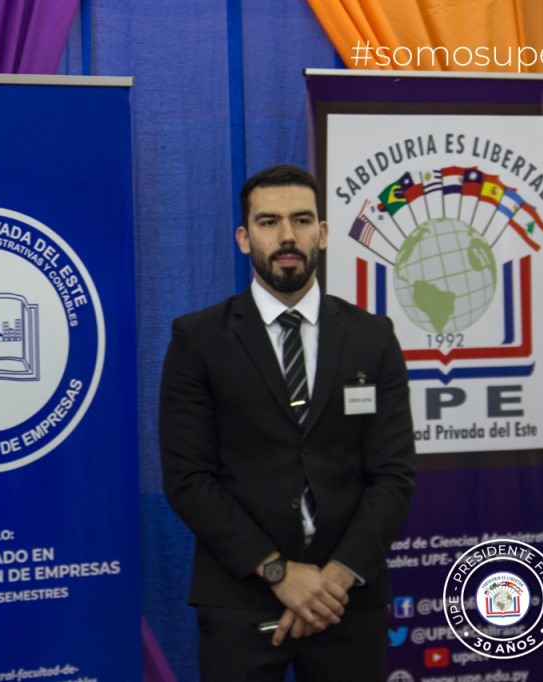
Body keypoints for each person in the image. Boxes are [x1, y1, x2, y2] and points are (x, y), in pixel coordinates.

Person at [159, 164, 416, 681]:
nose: (286, 236)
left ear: (322, 232)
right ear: (243, 236)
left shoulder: (373, 336)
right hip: (240, 598)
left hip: (347, 600)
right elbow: (188, 479)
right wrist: (277, 572)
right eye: (268, 222)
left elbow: (394, 474)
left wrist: (335, 578)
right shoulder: (199, 340)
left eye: (301, 220)